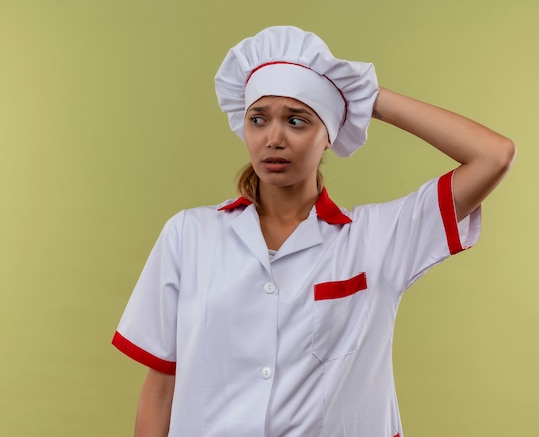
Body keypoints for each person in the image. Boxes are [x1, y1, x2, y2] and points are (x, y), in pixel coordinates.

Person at [112, 25, 515, 437]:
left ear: (329, 135)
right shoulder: (189, 235)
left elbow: (493, 155)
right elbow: (161, 389)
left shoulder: (378, 238)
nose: (274, 138)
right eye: (258, 119)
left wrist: (367, 99)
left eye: (298, 120)